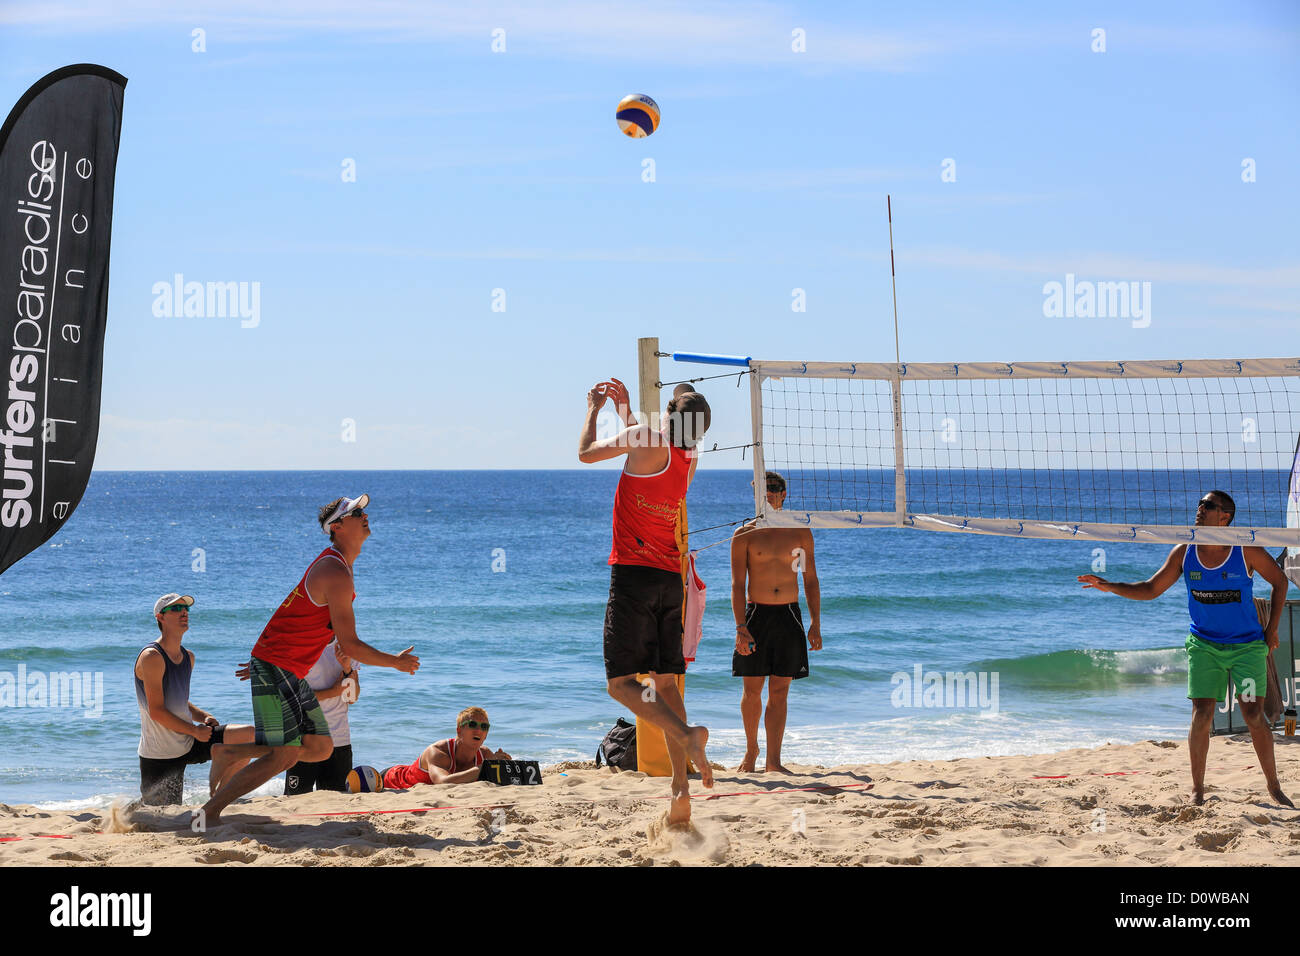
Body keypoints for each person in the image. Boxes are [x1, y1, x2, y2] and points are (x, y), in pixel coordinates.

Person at [198, 495, 420, 824]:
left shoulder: (339, 567)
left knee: (320, 748)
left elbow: (307, 625)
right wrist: (395, 663)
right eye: (357, 512)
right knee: (285, 756)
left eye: (364, 510)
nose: (366, 515)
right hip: (278, 666)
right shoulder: (334, 570)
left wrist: (264, 656)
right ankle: (209, 812)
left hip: (283, 666)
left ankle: (230, 751)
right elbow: (350, 644)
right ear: (338, 526)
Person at [1078, 490, 1292, 807]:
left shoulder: (1245, 550)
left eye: (1207, 506)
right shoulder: (1185, 552)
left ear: (1225, 516)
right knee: (1202, 714)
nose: (1199, 509)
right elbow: (1151, 589)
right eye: (1199, 504)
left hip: (1246, 647)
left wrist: (1272, 628)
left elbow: (1280, 582)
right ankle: (1198, 790)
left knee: (1252, 714)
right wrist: (1110, 585)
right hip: (1204, 645)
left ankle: (1274, 787)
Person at [579, 378, 715, 828]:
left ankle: (686, 736)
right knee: (667, 686)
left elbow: (585, 452)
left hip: (634, 575)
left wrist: (594, 409)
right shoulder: (687, 456)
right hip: (667, 579)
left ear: (672, 418)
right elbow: (648, 447)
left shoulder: (645, 440)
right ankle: (680, 788)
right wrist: (627, 409)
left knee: (620, 684)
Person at [731, 471, 822, 772]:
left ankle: (774, 761)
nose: (768, 493)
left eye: (774, 488)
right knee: (752, 691)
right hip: (756, 615)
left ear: (785, 494)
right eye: (762, 489)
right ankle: (750, 751)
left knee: (780, 691)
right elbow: (736, 585)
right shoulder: (745, 534)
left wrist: (815, 623)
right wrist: (740, 627)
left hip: (788, 616)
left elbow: (809, 580)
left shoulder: (799, 534)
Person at [134, 593, 254, 805]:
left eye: (186, 609)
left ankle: (220, 800)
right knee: (158, 819)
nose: (183, 613)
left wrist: (203, 716)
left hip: (189, 742)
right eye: (176, 609)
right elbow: (157, 711)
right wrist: (194, 730)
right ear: (160, 617)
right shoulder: (152, 657)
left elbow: (178, 702)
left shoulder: (188, 656)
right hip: (161, 754)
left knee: (249, 736)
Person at [284, 639, 360, 794]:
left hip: (339, 740)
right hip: (305, 740)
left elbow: (352, 698)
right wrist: (333, 692)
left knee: (337, 802)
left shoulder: (346, 647)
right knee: (295, 801)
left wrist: (347, 668)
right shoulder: (300, 646)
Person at [380, 707, 510, 788]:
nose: (478, 730)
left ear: (486, 735)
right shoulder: (438, 751)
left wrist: (505, 766)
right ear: (459, 731)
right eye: (472, 724)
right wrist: (484, 768)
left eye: (484, 727)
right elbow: (443, 782)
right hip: (391, 779)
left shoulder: (485, 754)